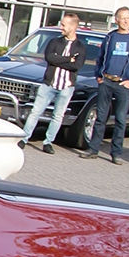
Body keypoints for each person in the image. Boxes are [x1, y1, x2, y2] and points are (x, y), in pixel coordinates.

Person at [81, 6, 129, 164]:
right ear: (116, 20)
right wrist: (99, 76)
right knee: (100, 117)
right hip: (106, 81)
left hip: (123, 84)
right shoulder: (110, 37)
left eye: (128, 18)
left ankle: (116, 153)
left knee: (120, 119)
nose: (126, 21)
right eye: (123, 18)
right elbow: (101, 56)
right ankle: (93, 149)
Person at [17, 11, 85, 155]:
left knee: (57, 115)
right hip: (49, 83)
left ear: (73, 27)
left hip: (66, 86)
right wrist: (68, 59)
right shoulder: (55, 42)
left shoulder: (80, 47)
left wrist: (60, 60)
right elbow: (50, 58)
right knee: (36, 111)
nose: (61, 27)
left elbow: (76, 66)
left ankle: (48, 142)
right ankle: (24, 138)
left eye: (64, 25)